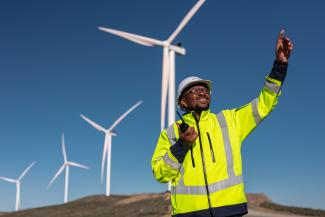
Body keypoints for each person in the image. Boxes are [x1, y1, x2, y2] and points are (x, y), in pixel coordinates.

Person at [151, 29, 293, 217]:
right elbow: (161, 174)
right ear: (182, 102)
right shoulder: (169, 134)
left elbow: (264, 104)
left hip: (230, 211)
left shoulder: (230, 120)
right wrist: (182, 145)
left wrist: (279, 67)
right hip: (190, 214)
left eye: (205, 90)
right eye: (195, 90)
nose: (202, 92)